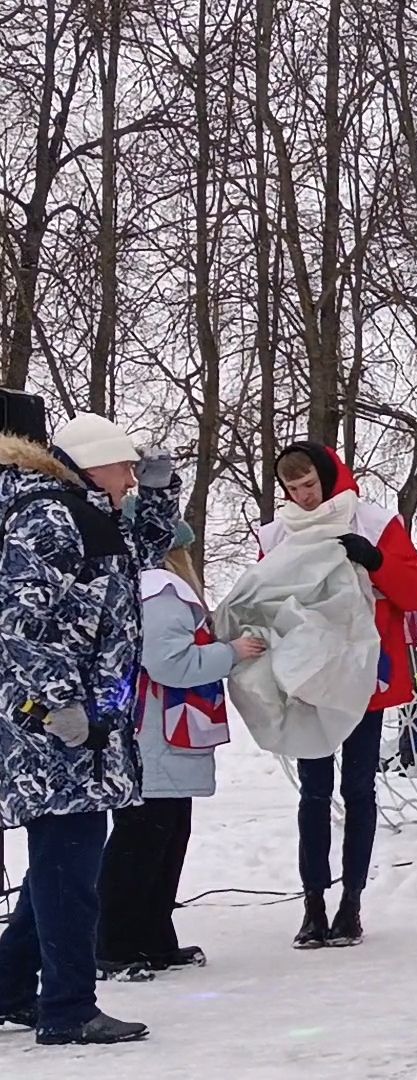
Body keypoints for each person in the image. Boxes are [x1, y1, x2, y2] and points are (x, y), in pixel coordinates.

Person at [0, 412, 178, 1045]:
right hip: (54, 730)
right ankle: (69, 1009)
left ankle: (10, 987)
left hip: (87, 729)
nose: (130, 478)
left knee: (61, 864)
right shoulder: (48, 518)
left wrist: (160, 490)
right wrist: (59, 705)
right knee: (68, 872)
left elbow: (143, 553)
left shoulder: (86, 513)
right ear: (92, 465)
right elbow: (21, 622)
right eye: (125, 468)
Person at [261, 441, 417, 949]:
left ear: (329, 476)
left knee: (357, 789)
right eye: (293, 488)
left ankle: (350, 904)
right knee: (314, 792)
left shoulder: (374, 522)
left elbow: (415, 591)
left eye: (309, 484)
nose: (303, 496)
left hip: (362, 675)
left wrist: (375, 561)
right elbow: (263, 601)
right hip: (309, 677)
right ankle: (313, 904)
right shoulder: (277, 533)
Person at [95, 523, 265, 978]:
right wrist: (231, 652)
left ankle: (150, 937)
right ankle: (114, 945)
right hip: (157, 735)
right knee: (143, 843)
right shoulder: (162, 591)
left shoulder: (148, 587)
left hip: (162, 735)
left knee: (163, 839)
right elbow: (168, 663)